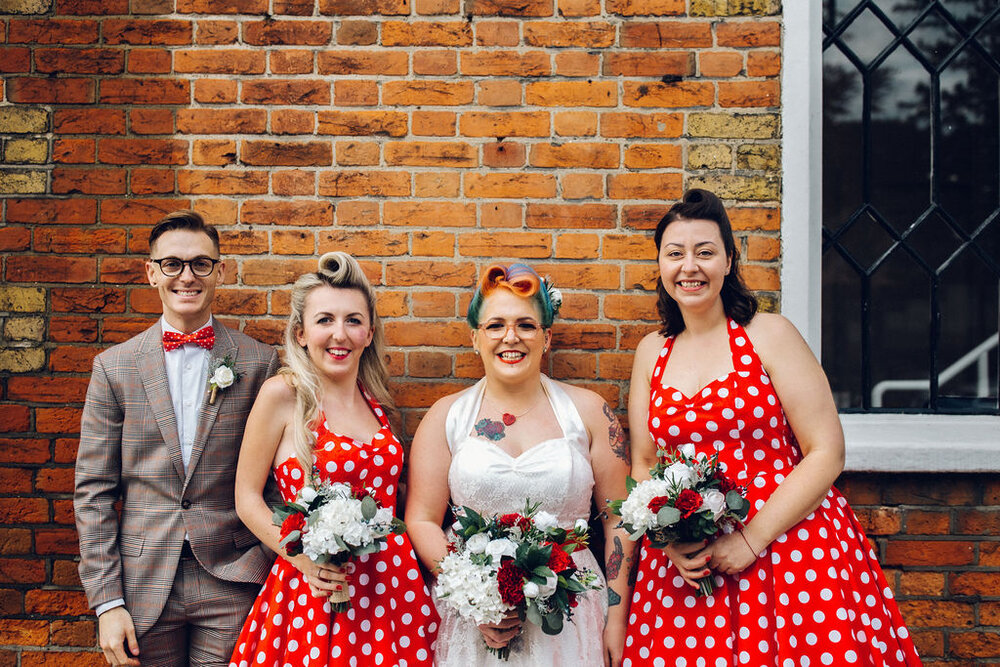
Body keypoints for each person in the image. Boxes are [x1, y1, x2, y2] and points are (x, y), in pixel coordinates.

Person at [621, 189, 920, 665]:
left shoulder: (769, 335)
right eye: (675, 253)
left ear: (728, 259)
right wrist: (666, 542)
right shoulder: (651, 352)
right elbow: (644, 466)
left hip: (789, 548)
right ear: (660, 263)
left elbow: (827, 451)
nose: (689, 267)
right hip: (689, 568)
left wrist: (750, 540)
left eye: (705, 252)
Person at [75, 210, 280, 667]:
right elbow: (94, 492)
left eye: (200, 264)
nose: (186, 276)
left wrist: (262, 561)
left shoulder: (259, 362)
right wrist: (107, 602)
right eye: (172, 264)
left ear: (220, 271)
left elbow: (275, 481)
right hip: (142, 584)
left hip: (232, 578)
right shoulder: (114, 368)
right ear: (152, 272)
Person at [406, 263, 633, 667]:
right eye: (495, 325)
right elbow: (422, 518)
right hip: (476, 616)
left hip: (573, 612)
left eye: (525, 325)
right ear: (475, 337)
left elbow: (618, 518)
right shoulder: (446, 417)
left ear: (547, 337)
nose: (510, 337)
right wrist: (475, 595)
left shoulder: (590, 412)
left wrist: (616, 616)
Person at [228, 251, 438, 666]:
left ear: (369, 333)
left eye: (352, 321)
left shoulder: (377, 403)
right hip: (318, 591)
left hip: (394, 590)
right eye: (325, 320)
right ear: (301, 332)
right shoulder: (283, 395)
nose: (339, 334)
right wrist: (301, 559)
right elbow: (247, 499)